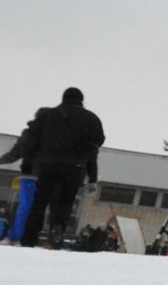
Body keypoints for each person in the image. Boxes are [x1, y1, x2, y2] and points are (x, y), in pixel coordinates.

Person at [10, 87, 104, 248]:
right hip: (74, 167)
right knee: (66, 201)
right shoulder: (91, 118)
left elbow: (31, 141)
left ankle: (30, 237)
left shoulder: (47, 115)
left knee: (40, 201)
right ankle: (58, 228)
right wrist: (83, 159)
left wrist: (27, 164)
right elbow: (98, 141)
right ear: (81, 100)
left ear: (63, 98)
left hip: (48, 164)